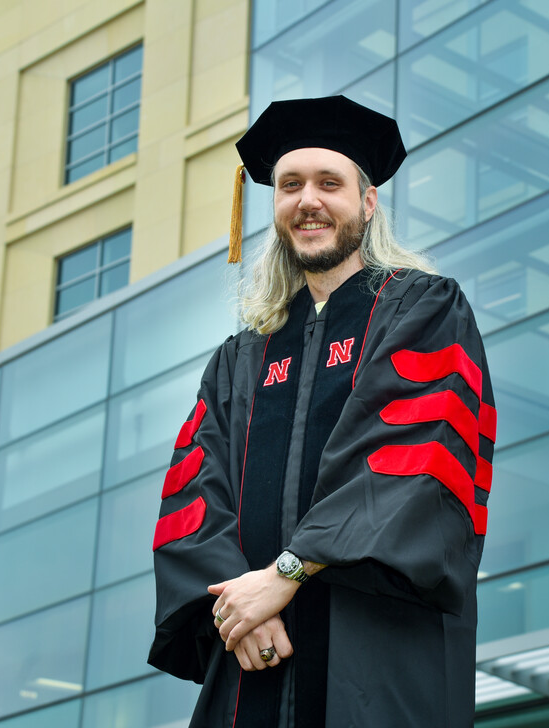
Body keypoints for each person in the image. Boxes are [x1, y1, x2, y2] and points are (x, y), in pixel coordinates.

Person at [148, 95, 496, 728]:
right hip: (253, 654)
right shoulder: (241, 359)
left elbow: (410, 461)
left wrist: (286, 574)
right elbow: (198, 493)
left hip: (375, 651)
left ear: (367, 202)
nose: (308, 200)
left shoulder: (421, 309)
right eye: (290, 186)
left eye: (328, 183)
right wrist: (241, 608)